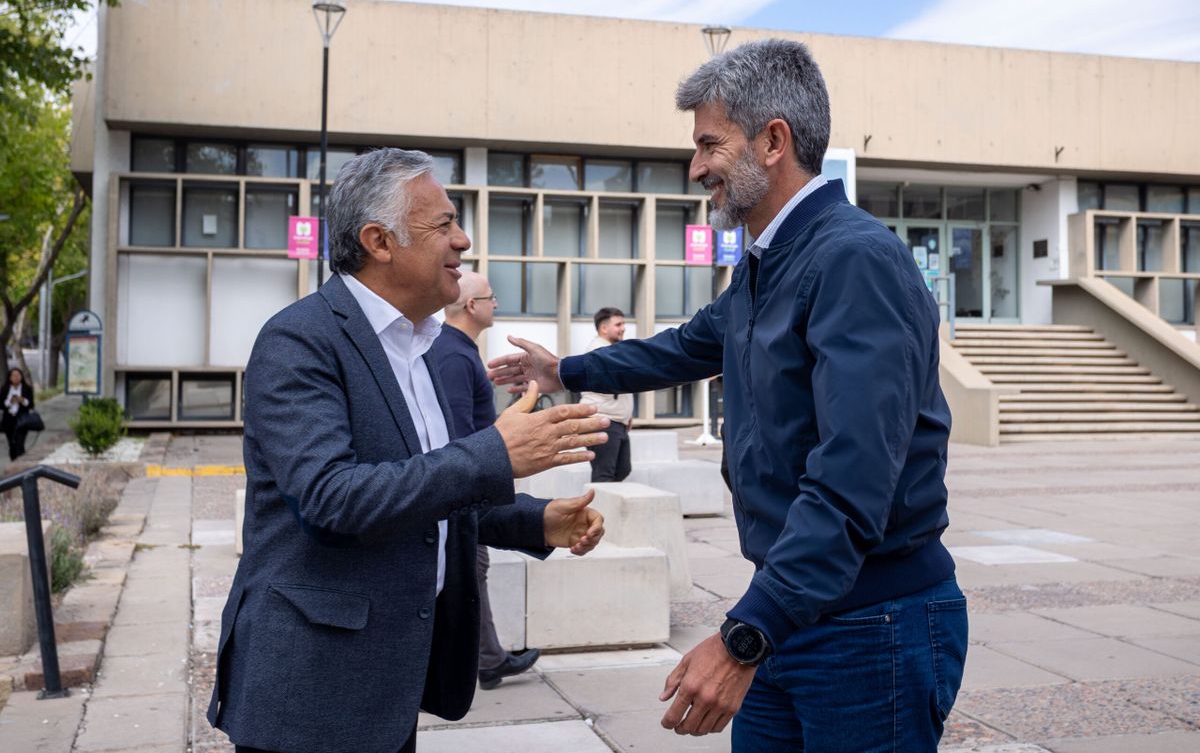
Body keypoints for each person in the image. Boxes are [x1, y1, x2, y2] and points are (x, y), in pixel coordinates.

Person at [489, 39, 967, 751]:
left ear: (774, 141)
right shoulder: (768, 265)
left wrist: (745, 635)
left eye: (710, 144)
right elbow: (684, 346)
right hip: (792, 613)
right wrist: (568, 372)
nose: (697, 167)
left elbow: (853, 478)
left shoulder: (853, 259)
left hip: (870, 627)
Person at [207, 148, 610, 753]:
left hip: (390, 688)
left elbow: (431, 490)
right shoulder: (298, 340)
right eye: (444, 224)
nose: (464, 241)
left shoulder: (423, 346)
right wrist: (494, 453)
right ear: (379, 241)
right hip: (311, 696)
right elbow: (332, 498)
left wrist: (535, 522)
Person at [430, 270, 541, 690]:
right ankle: (485, 660)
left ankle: (489, 658)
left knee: (471, 572)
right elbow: (458, 433)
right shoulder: (456, 353)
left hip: (465, 487)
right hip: (465, 490)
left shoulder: (453, 348)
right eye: (492, 298)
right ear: (472, 306)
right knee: (468, 571)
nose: (496, 304)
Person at [579, 307, 634, 482]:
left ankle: (606, 507)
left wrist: (627, 415)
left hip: (616, 421)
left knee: (623, 470)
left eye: (623, 323)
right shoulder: (599, 352)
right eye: (618, 324)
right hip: (602, 420)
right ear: (603, 328)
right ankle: (599, 509)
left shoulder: (612, 350)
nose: (623, 328)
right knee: (604, 475)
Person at [2, 367, 35, 460]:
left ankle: (21, 466)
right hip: (9, 420)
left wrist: (22, 400)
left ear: (21, 377)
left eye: (18, 375)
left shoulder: (26, 388)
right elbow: (1, 405)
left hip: (22, 420)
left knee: (20, 445)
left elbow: (31, 405)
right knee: (12, 445)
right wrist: (9, 401)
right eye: (13, 375)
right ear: (10, 377)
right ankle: (13, 466)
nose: (16, 377)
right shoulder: (5, 389)